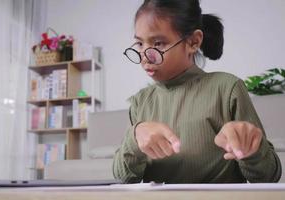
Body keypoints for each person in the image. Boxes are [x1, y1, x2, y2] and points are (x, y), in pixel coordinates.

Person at [113, 0, 282, 183]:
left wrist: (251, 149)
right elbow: (123, 178)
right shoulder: (140, 101)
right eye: (139, 44)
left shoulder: (227, 88)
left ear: (193, 42)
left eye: (158, 43)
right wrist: (135, 137)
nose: (145, 57)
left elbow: (269, 176)